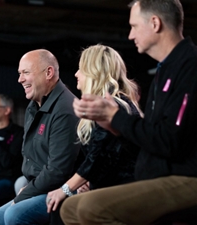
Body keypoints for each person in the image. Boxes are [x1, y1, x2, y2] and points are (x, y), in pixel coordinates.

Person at [61, 0, 197, 224]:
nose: (130, 35)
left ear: (155, 23)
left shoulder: (189, 66)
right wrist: (114, 127)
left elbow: (170, 141)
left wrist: (115, 117)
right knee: (70, 209)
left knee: (90, 208)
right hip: (161, 174)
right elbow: (152, 138)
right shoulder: (165, 70)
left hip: (186, 177)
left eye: (134, 26)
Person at [0, 49, 80, 225]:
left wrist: (25, 193)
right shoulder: (33, 106)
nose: (20, 79)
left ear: (48, 72)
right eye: (20, 73)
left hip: (63, 190)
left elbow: (58, 172)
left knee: (15, 215)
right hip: (39, 187)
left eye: (26, 73)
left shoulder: (65, 109)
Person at [46, 44, 143, 216]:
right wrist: (87, 181)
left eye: (81, 69)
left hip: (126, 191)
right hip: (111, 186)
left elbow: (100, 156)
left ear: (94, 72)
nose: (76, 74)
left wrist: (66, 189)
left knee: (59, 207)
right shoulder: (119, 102)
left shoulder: (113, 105)